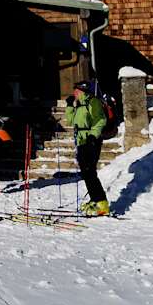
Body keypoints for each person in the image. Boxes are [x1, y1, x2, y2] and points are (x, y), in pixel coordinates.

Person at [66, 80, 109, 215]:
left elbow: (101, 119)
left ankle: (102, 203)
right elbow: (71, 121)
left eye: (76, 90)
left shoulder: (93, 102)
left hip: (91, 141)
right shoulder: (80, 104)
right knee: (86, 173)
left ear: (82, 91)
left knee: (90, 172)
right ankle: (95, 200)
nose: (74, 93)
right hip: (81, 141)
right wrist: (69, 106)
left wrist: (93, 136)